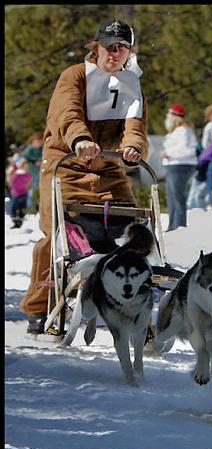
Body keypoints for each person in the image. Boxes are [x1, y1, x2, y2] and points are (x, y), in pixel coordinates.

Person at [20, 18, 149, 334]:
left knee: (134, 228)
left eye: (121, 48)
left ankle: (128, 295)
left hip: (107, 169)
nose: (114, 53)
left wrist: (132, 146)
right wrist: (79, 139)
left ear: (129, 52)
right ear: (97, 47)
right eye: (109, 47)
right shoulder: (75, 76)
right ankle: (40, 305)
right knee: (55, 238)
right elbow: (67, 113)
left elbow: (135, 123)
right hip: (66, 165)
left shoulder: (130, 82)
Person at [161, 102, 198, 231]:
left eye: (169, 114)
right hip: (173, 165)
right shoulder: (177, 131)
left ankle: (179, 226)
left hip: (181, 165)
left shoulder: (184, 130)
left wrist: (168, 153)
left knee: (177, 197)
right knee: (171, 197)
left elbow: (187, 150)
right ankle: (173, 225)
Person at [187, 104, 212, 210]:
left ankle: (199, 209)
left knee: (207, 188)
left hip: (211, 159)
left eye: (209, 115)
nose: (209, 118)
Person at [6, 157, 32, 228]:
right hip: (17, 193)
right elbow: (12, 183)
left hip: (23, 193)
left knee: (21, 207)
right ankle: (15, 220)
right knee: (15, 207)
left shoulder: (27, 174)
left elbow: (29, 182)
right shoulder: (17, 173)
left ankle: (19, 221)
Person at [23, 131, 43, 211]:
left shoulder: (41, 148)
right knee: (32, 190)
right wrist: (36, 161)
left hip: (40, 172)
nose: (39, 142)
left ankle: (38, 208)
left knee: (39, 191)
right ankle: (30, 209)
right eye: (37, 141)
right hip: (32, 172)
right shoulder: (29, 149)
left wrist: (40, 160)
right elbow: (26, 156)